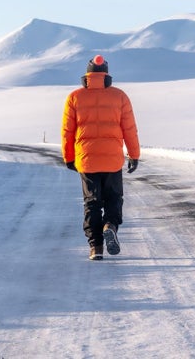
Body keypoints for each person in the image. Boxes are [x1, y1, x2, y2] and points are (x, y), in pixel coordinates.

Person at [62, 55, 140, 261]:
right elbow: (130, 129)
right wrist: (134, 155)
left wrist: (69, 157)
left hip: (86, 160)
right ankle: (110, 225)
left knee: (92, 202)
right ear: (106, 74)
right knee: (114, 198)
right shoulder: (120, 96)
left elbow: (67, 132)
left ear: (87, 75)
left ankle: (95, 247)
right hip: (112, 160)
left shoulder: (74, 97)